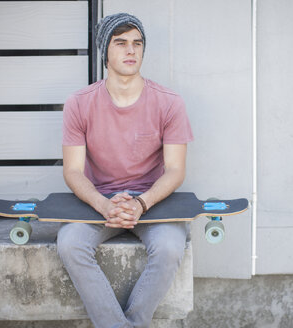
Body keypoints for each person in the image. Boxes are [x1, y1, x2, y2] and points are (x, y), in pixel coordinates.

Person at [57, 13, 193, 328]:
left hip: (152, 201)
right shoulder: (79, 103)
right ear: (105, 52)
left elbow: (175, 170)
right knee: (70, 244)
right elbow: (73, 171)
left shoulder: (169, 103)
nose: (131, 51)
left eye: (137, 43)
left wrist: (141, 203)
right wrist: (104, 204)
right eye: (121, 43)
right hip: (99, 200)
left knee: (172, 247)